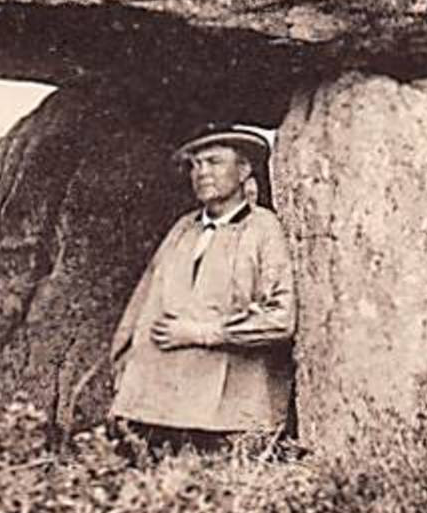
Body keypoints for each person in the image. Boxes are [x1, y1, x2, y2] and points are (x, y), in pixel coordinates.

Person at [108, 123, 296, 454]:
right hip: (162, 404)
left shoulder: (263, 228)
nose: (201, 173)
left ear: (243, 170)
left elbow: (281, 318)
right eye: (195, 165)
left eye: (214, 162)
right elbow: (143, 302)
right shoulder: (183, 229)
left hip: (230, 411)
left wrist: (204, 332)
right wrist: (123, 362)